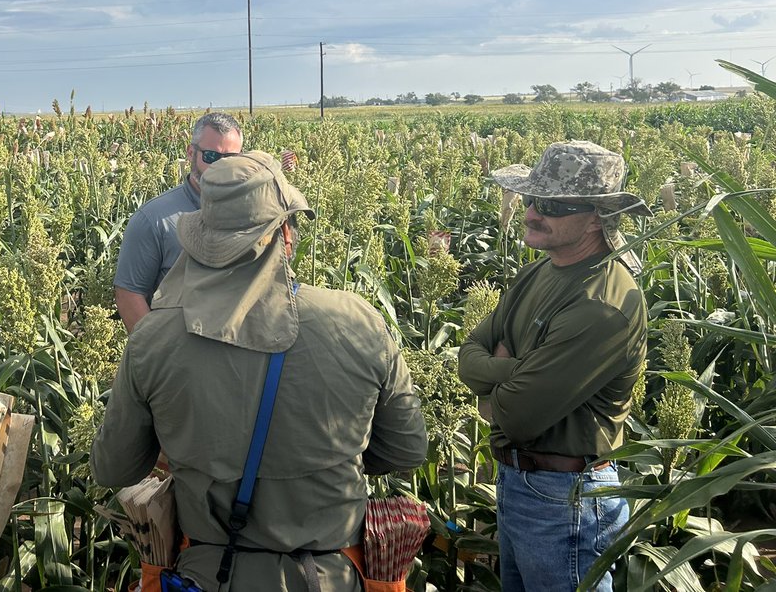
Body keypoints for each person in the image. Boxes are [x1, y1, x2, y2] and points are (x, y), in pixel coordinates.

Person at [92, 152, 428, 591]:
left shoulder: (154, 338)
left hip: (208, 574)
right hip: (331, 575)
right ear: (285, 234)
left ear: (201, 241)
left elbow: (113, 468)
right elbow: (405, 451)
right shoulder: (357, 321)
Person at [457, 141, 650, 592]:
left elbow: (516, 416)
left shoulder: (602, 305)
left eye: (552, 205)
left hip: (566, 501)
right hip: (522, 486)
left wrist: (500, 376)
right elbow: (467, 356)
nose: (531, 213)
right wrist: (520, 371)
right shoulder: (540, 270)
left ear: (596, 217)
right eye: (530, 199)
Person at [113, 111, 243, 331]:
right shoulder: (153, 219)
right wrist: (158, 352)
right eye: (211, 157)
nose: (221, 167)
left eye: (230, 159)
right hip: (180, 354)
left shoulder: (250, 211)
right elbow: (129, 295)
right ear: (191, 152)